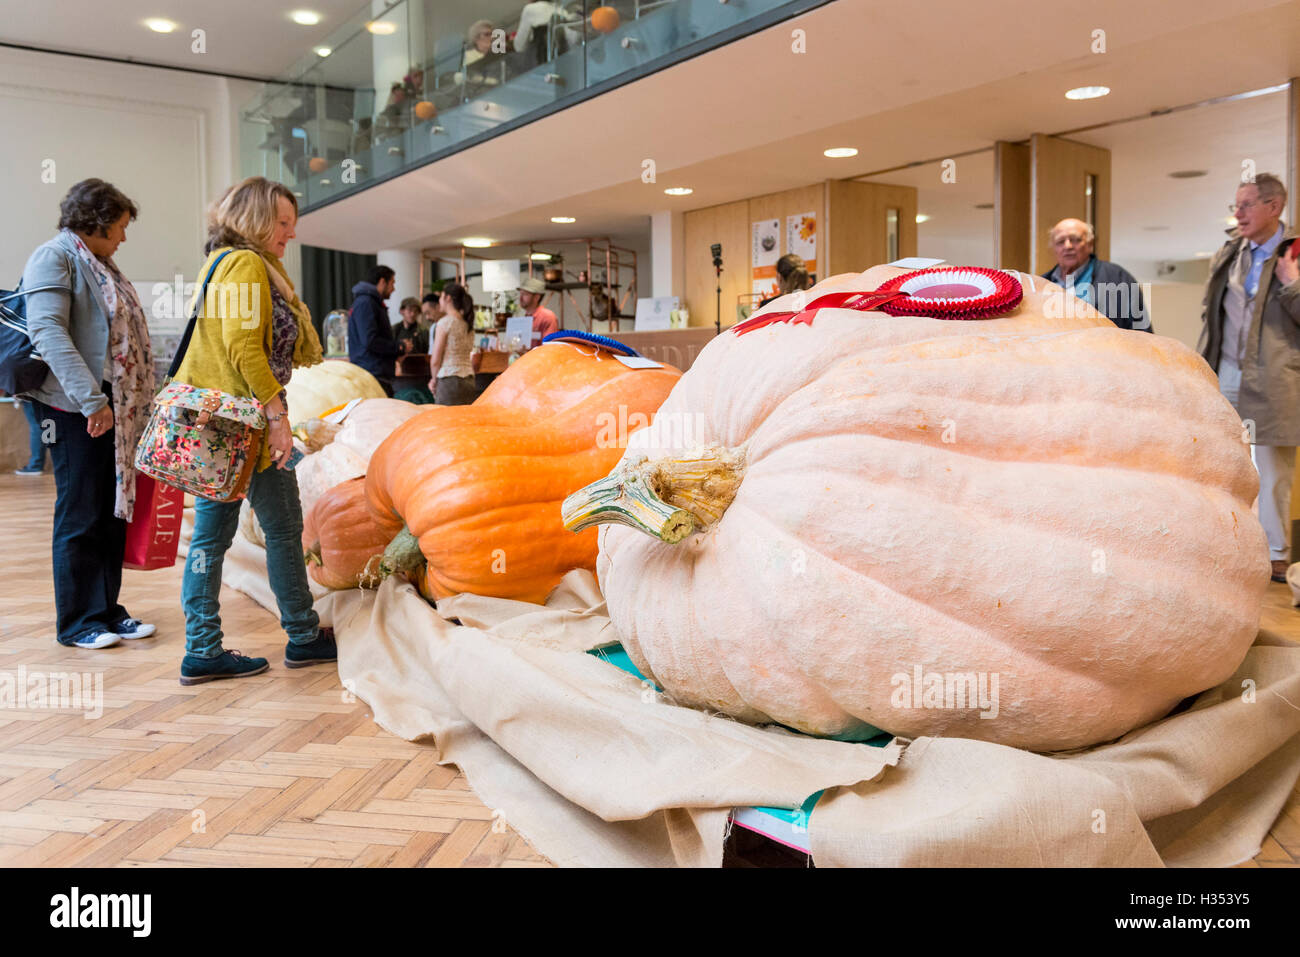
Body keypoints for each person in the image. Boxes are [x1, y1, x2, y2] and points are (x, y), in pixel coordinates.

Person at [173, 176, 336, 684]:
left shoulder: (228, 263)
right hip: (245, 425)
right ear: (257, 220)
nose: (290, 233)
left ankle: (205, 648)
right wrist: (276, 417)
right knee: (282, 531)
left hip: (222, 423)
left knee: (214, 537)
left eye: (293, 223)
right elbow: (245, 349)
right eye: (282, 222)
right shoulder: (244, 265)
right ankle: (301, 637)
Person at [21, 178, 157, 649]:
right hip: (73, 404)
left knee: (109, 509)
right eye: (119, 226)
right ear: (96, 222)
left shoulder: (99, 264)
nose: (123, 237)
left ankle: (106, 610)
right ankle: (78, 622)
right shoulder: (53, 256)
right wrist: (91, 402)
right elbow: (48, 332)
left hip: (108, 402)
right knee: (80, 510)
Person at [1198, 172, 1300, 583]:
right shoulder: (1230, 252)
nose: (1237, 213)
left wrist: (1292, 286)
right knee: (1223, 459)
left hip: (1275, 374)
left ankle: (1276, 554)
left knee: (1273, 465)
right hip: (1227, 369)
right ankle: (1227, 542)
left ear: (1273, 208)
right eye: (1235, 205)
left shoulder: (1294, 252)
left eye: (1246, 205)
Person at [1042, 219, 1150, 332]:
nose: (1068, 246)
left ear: (1090, 244)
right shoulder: (1040, 285)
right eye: (1060, 241)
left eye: (1075, 240)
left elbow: (1142, 330)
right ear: (1053, 248)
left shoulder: (1117, 278)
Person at [348, 264, 401, 395]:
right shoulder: (366, 303)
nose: (393, 289)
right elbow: (370, 340)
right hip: (373, 375)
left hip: (375, 372)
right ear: (383, 281)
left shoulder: (369, 302)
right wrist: (398, 347)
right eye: (392, 283)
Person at [426, 283, 478, 406]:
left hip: (449, 380)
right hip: (469, 380)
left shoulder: (444, 323)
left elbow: (435, 360)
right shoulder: (467, 324)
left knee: (446, 422)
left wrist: (434, 380)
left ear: (448, 298)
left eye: (441, 297)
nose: (439, 301)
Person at [518, 276, 558, 345]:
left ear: (537, 297)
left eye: (525, 294)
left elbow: (549, 348)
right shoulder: (526, 318)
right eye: (520, 294)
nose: (520, 298)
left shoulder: (547, 317)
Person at [14, 398, 48, 475]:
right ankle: (36, 464)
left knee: (37, 427)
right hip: (43, 396)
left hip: (31, 395)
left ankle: (35, 465)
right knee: (43, 426)